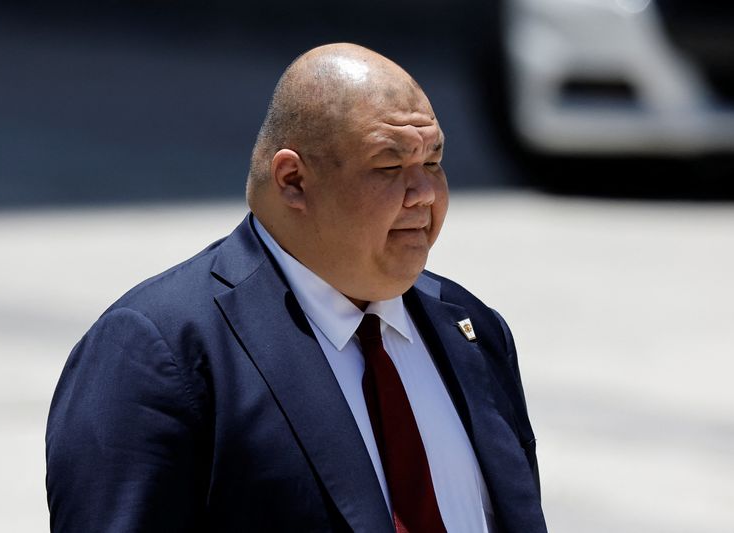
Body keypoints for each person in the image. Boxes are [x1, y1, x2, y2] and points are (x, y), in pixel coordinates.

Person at [45, 43, 547, 533]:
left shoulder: (470, 330)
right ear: (292, 181)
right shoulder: (161, 350)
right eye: (390, 167)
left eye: (433, 163)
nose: (423, 195)